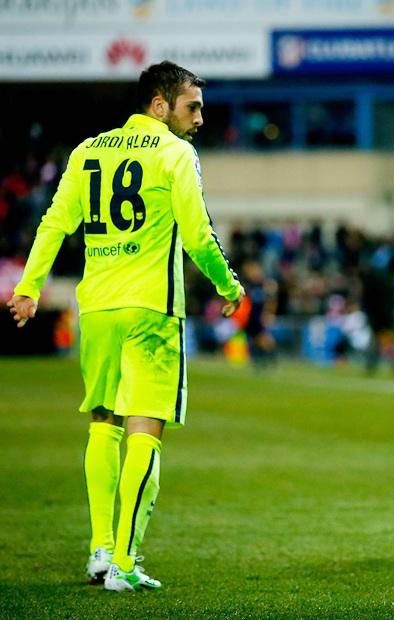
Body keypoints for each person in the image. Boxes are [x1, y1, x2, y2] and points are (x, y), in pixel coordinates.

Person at [7, 61, 245, 592]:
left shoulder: (87, 151)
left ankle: (98, 550)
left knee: (102, 423)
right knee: (145, 431)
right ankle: (124, 560)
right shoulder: (176, 154)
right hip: (151, 310)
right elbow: (199, 234)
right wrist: (229, 286)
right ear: (159, 106)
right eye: (193, 107)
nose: (201, 119)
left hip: (97, 309)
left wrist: (29, 287)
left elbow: (54, 222)